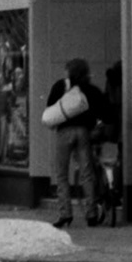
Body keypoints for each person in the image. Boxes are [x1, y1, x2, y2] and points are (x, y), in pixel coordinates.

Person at [45, 57, 110, 228]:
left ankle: (65, 214)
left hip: (64, 132)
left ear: (69, 72)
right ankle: (91, 214)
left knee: (61, 174)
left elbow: (50, 106)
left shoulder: (60, 86)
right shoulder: (91, 89)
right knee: (87, 173)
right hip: (83, 132)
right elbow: (103, 109)